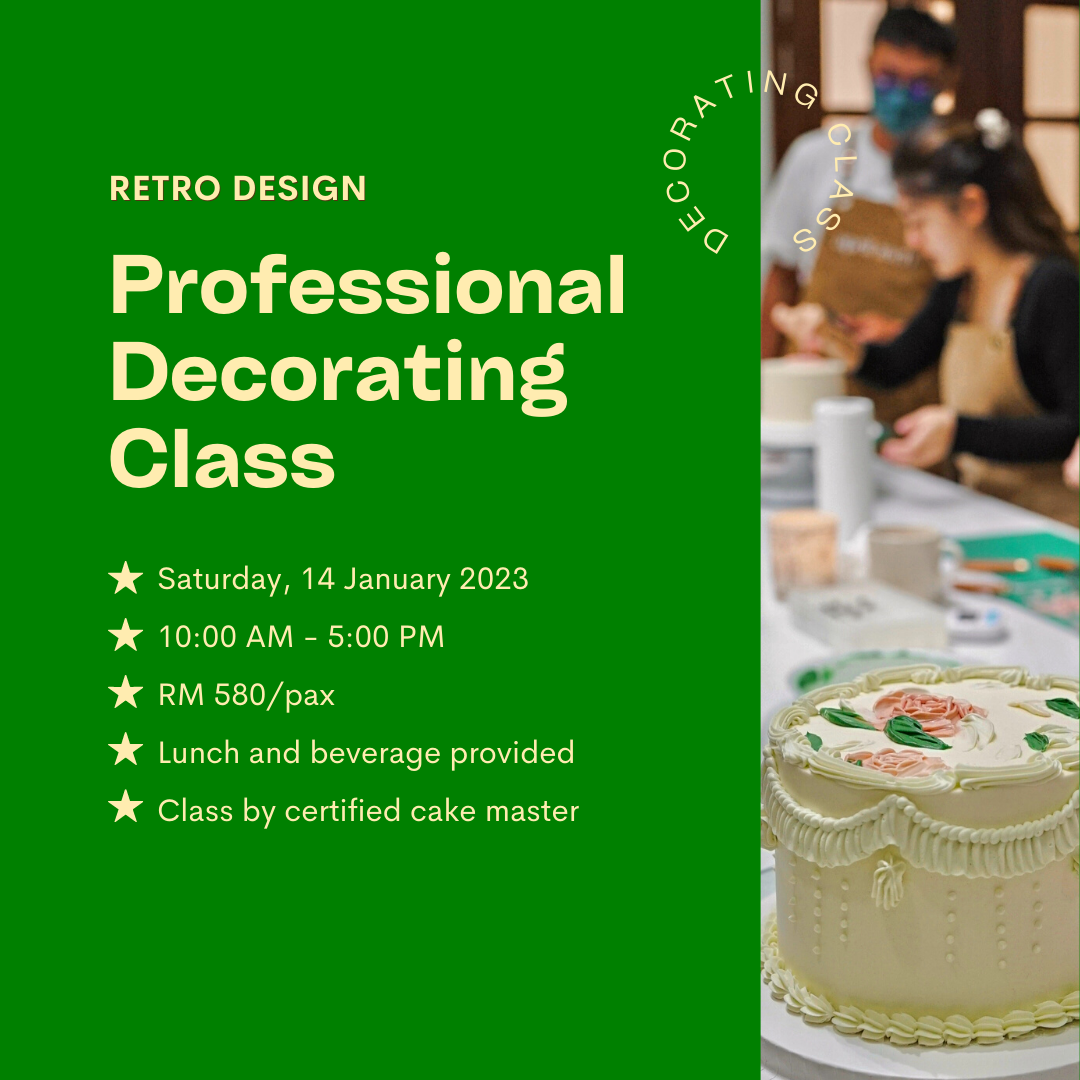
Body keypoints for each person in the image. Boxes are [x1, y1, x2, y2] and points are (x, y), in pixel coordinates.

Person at [775, 110, 1079, 526]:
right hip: (986, 513)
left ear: (971, 206)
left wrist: (958, 432)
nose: (913, 243)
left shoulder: (1051, 286)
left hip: (1054, 524)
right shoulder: (960, 286)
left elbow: (1071, 427)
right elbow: (896, 364)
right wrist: (829, 336)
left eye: (919, 223)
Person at [762, 7, 957, 424]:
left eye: (919, 83)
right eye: (889, 78)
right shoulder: (819, 156)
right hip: (811, 388)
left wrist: (906, 333)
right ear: (868, 67)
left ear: (946, 83)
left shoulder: (958, 176)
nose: (901, 95)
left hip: (907, 397)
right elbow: (780, 277)